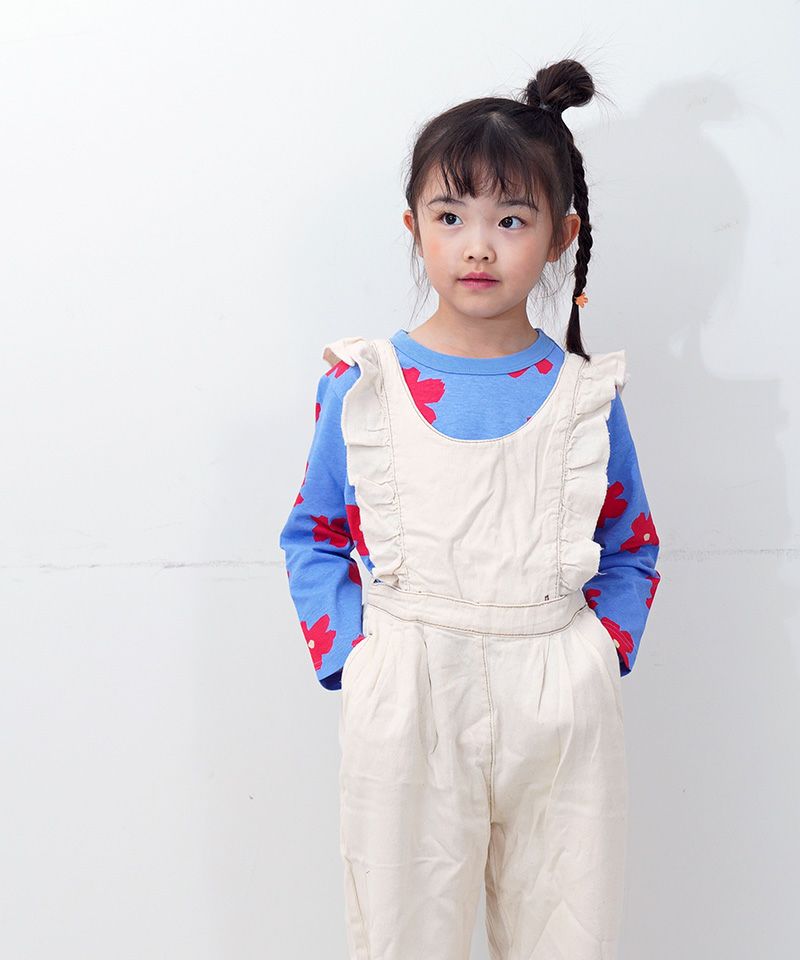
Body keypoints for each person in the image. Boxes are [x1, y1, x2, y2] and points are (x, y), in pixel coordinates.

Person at [279, 57, 662, 960]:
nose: (478, 247)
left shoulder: (583, 398)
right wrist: (357, 662)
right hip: (409, 690)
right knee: (406, 928)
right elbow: (315, 533)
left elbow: (631, 544)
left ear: (562, 236)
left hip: (558, 696)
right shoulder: (366, 386)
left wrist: (598, 654)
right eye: (450, 217)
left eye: (511, 220)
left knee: (565, 923)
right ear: (414, 228)